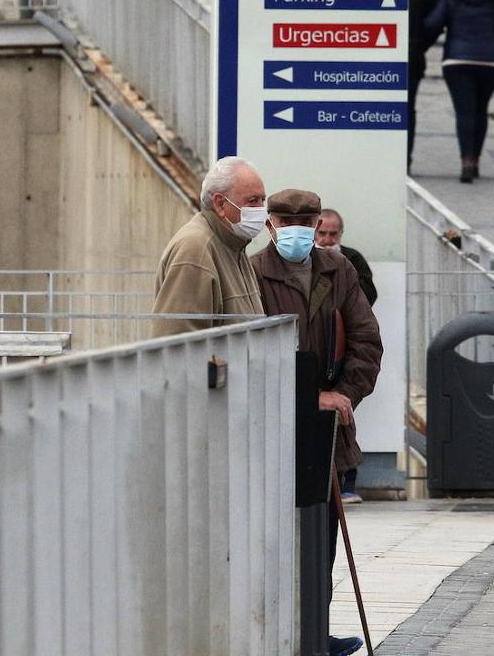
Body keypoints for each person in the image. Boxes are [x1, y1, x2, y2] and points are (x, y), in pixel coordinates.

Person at [251, 189, 383, 656]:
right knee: (272, 539)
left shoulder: (338, 268)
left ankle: (315, 633)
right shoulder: (254, 272)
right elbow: (251, 352)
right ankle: (276, 634)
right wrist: (308, 396)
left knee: (321, 538)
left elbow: (366, 339)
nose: (297, 233)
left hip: (328, 429)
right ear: (270, 225)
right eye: (287, 223)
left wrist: (344, 393)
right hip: (273, 426)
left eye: (305, 224)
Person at [152, 156, 266, 336]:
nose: (261, 209)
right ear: (220, 204)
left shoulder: (234, 243)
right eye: (252, 200)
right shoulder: (195, 249)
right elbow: (179, 343)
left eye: (262, 200)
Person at [423, 0, 494, 184]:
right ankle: (476, 159)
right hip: (490, 61)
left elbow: (434, 22)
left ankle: (466, 162)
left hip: (457, 60)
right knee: (481, 111)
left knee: (464, 112)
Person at [314, 207, 377, 504]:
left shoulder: (351, 261)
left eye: (333, 234)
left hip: (344, 350)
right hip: (318, 353)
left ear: (341, 234)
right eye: (322, 233)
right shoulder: (306, 261)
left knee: (346, 415)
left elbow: (367, 295)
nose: (327, 239)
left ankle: (348, 481)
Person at [407, 0, 437, 171]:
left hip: (383, 60)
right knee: (408, 110)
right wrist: (421, 45)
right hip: (414, 57)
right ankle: (406, 158)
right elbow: (434, 26)